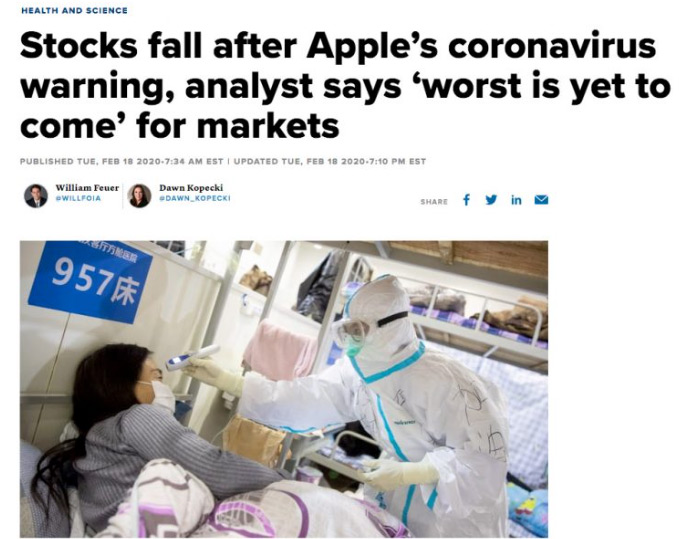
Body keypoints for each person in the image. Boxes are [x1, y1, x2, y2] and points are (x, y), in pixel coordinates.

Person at [186, 275, 510, 538]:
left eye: (359, 331)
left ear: (390, 326)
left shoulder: (447, 382)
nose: (351, 340)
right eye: (348, 329)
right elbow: (307, 399)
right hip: (397, 503)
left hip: (457, 515)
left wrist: (415, 471)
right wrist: (233, 382)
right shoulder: (358, 370)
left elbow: (484, 458)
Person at [31, 344, 285, 533]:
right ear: (121, 385)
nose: (165, 387)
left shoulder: (91, 439)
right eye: (157, 377)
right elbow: (214, 465)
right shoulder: (138, 417)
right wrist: (285, 484)